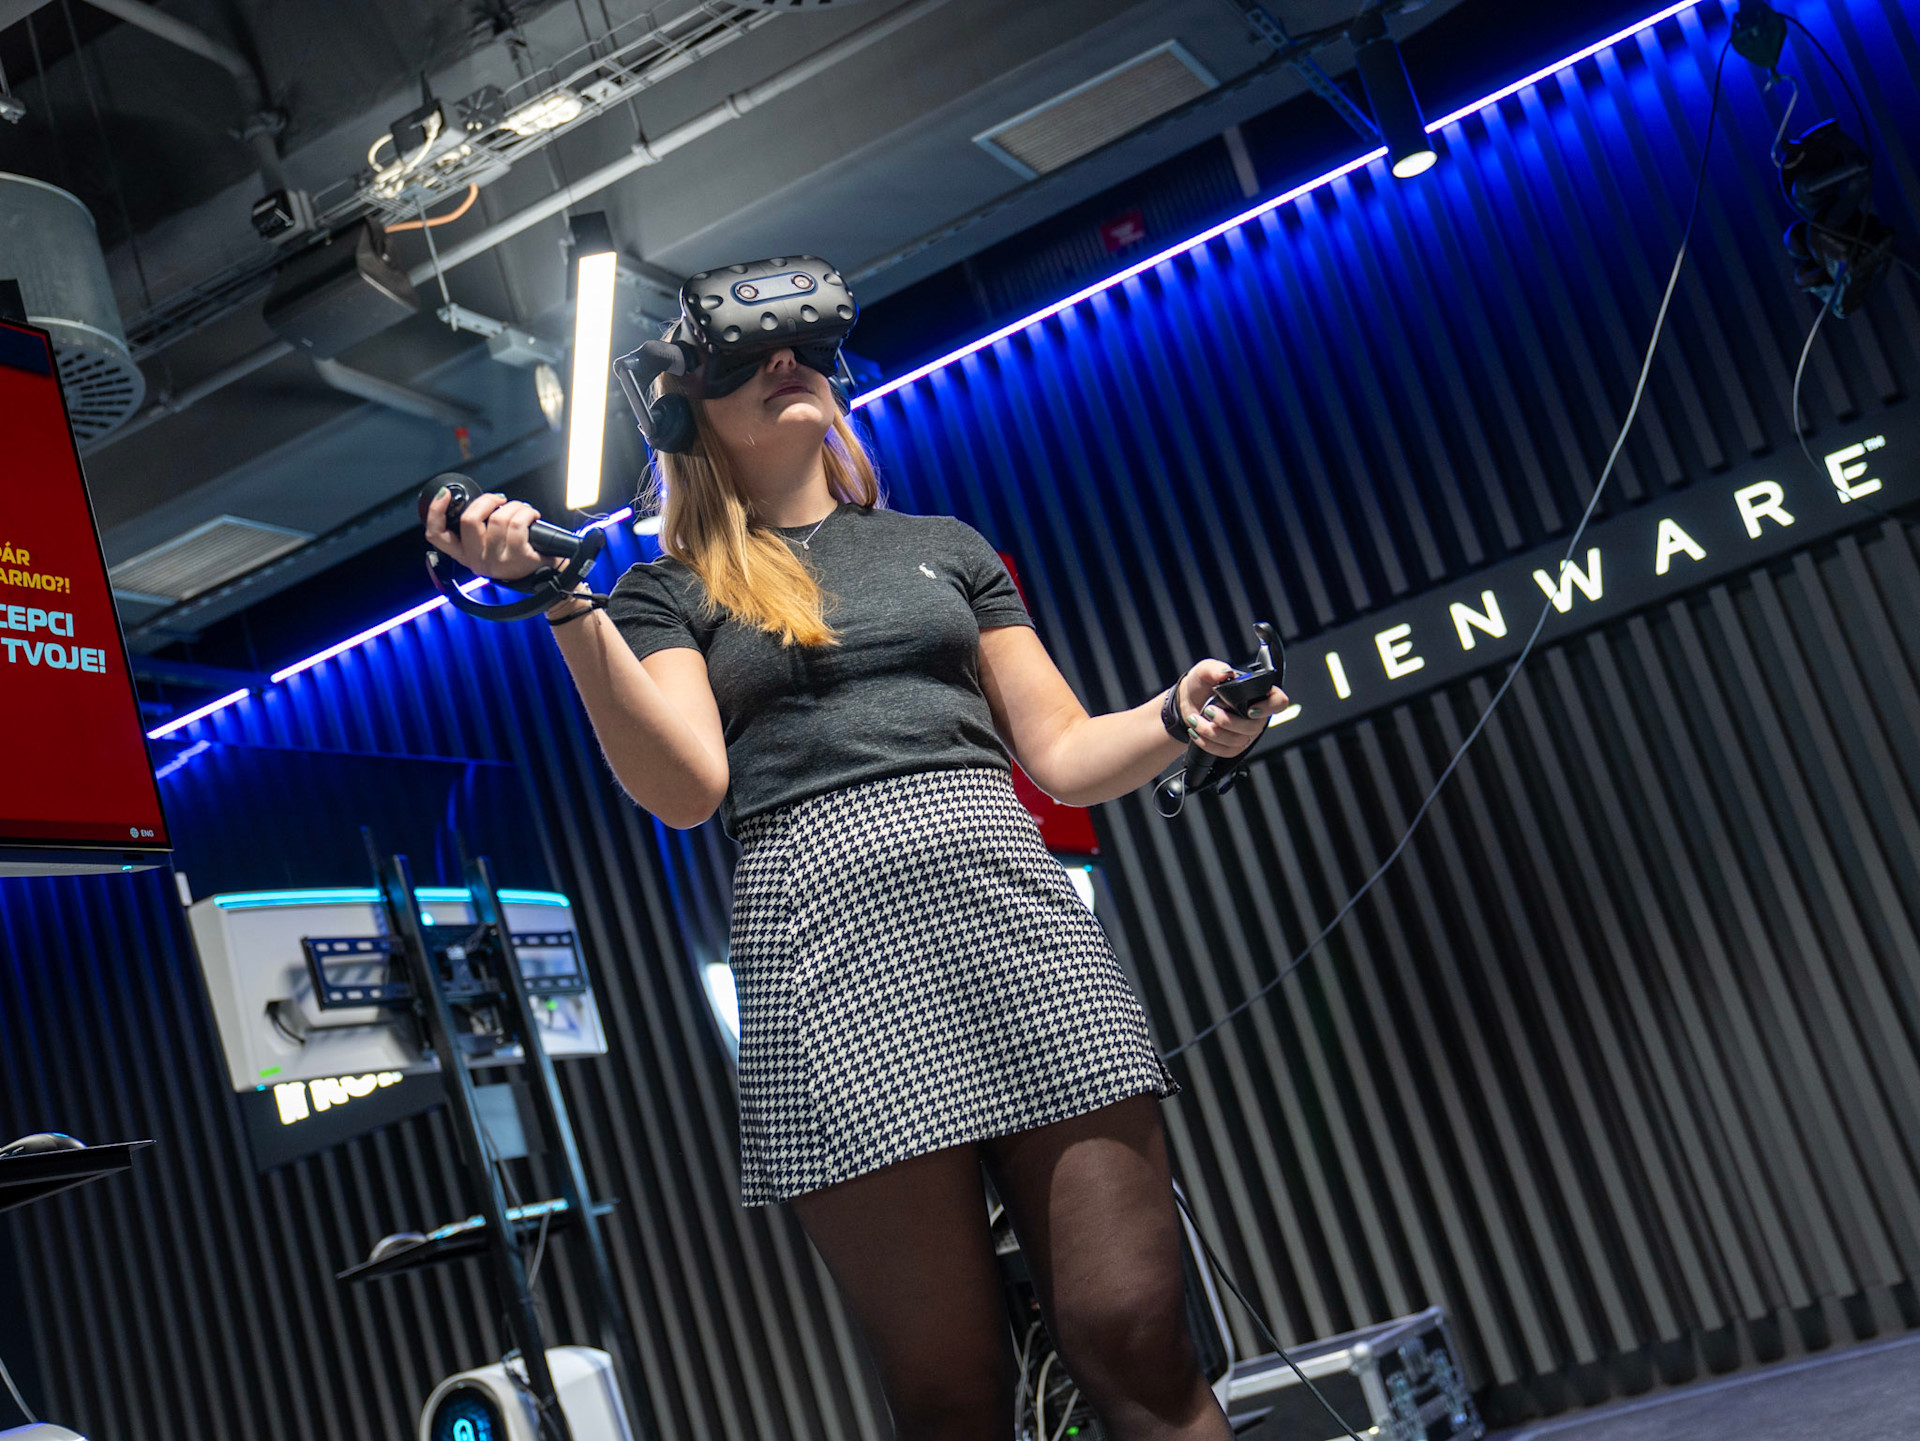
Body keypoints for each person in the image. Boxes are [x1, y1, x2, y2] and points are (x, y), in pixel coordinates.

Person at [425, 341, 1286, 1441]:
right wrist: (564, 601)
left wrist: (1177, 715)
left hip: (1022, 931)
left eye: (802, 349)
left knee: (1139, 1340)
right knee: (950, 1397)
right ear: (685, 417)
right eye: (748, 358)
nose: (786, 364)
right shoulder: (666, 590)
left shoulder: (944, 546)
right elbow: (685, 790)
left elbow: (1065, 754)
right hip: (826, 960)